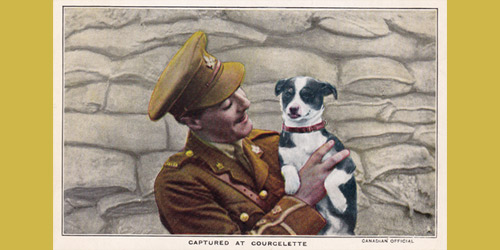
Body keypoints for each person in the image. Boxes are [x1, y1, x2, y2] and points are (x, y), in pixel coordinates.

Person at [148, 31, 350, 234]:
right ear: (193, 121)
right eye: (227, 104)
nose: (245, 103)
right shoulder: (178, 183)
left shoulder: (273, 144)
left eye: (239, 89)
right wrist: (300, 200)